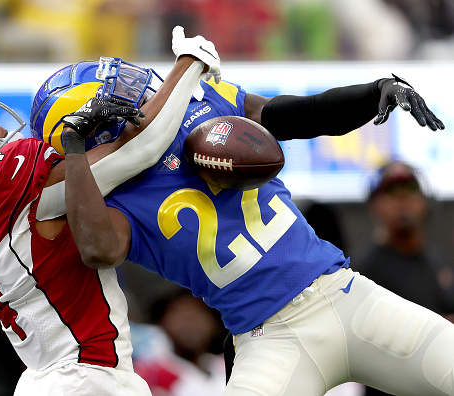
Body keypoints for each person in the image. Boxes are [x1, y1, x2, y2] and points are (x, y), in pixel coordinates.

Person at [34, 27, 454, 395]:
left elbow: (297, 114)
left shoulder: (200, 107)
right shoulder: (108, 201)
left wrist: (371, 93)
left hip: (344, 295)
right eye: (116, 97)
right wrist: (74, 149)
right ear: (95, 130)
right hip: (269, 339)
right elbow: (98, 249)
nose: (139, 91)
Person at [0, 27, 221, 395]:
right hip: (85, 378)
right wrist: (191, 62)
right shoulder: (0, 184)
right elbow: (139, 149)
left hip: (54, 379)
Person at [357, 160, 454, 396]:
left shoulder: (438, 263)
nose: (402, 200)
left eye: (409, 189)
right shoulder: (364, 272)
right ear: (374, 205)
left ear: (425, 201)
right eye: (391, 191)